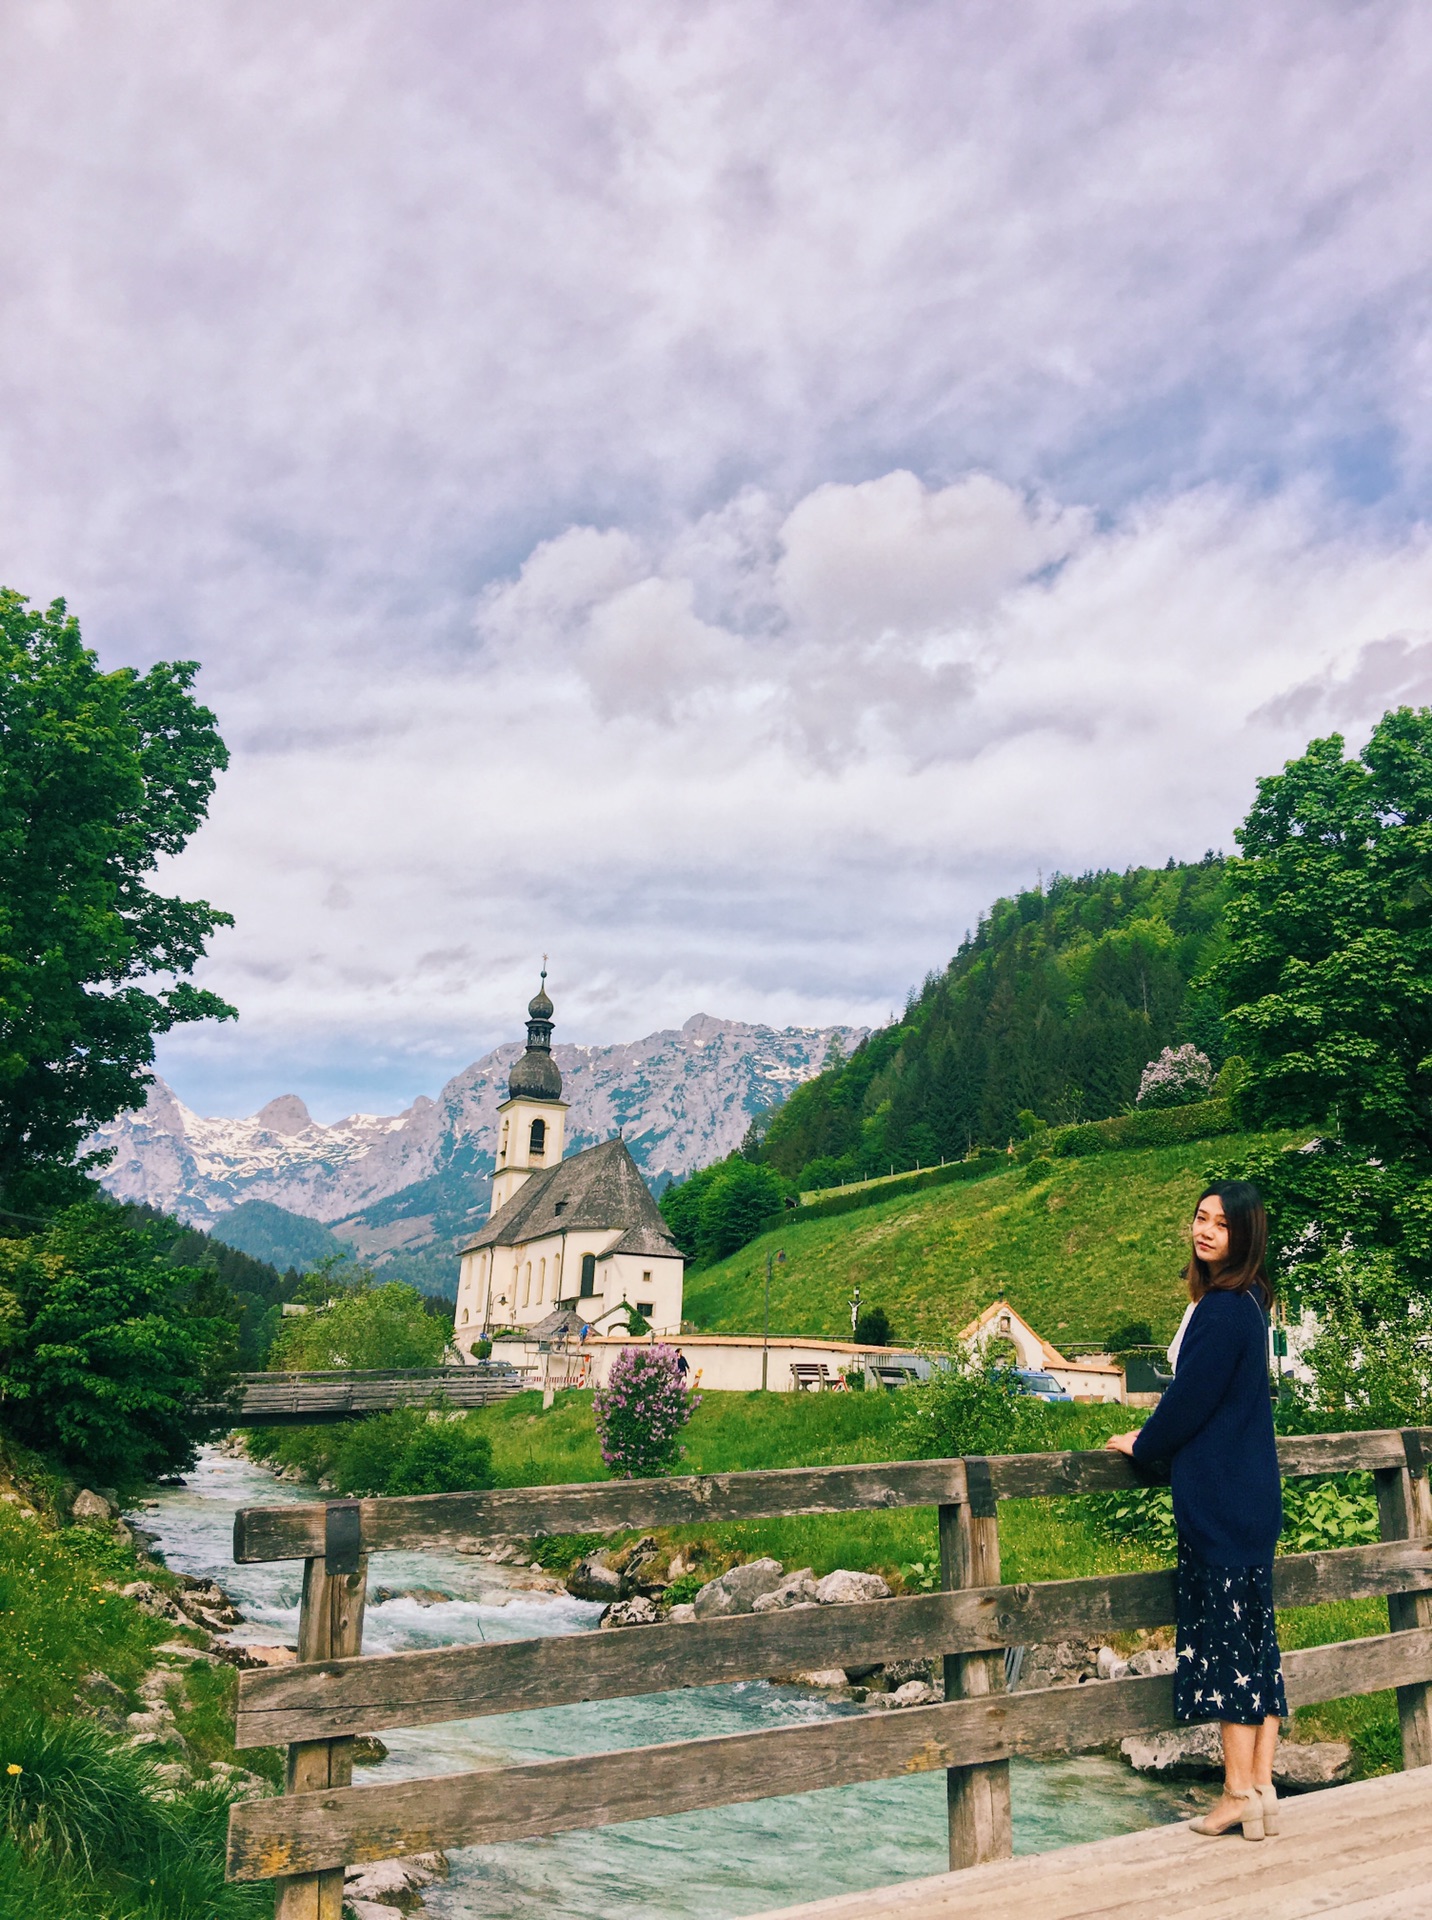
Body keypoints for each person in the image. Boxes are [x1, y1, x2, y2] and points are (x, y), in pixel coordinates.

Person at [1104, 1180, 1285, 1842]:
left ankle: (1237, 1792)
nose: (1205, 1230)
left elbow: (1187, 1403)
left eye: (1221, 1224)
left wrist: (1141, 1444)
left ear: (1245, 1236)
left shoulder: (1221, 1310)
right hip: (1252, 1499)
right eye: (1200, 1218)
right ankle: (1261, 1786)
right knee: (1257, 1646)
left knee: (1227, 1648)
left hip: (1221, 1502)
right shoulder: (1252, 1306)